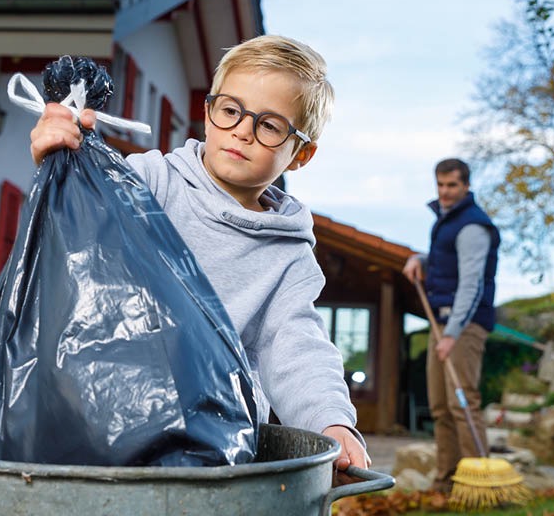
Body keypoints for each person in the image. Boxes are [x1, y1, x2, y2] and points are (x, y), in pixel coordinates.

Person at [29, 35, 369, 476]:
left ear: (300, 153)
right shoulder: (150, 183)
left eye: (269, 126)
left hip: (214, 443)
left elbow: (296, 345)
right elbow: (77, 237)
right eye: (230, 110)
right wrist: (60, 161)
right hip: (105, 408)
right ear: (209, 111)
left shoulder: (289, 256)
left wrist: (332, 421)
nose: (242, 130)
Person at [401, 158, 500, 493]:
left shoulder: (473, 226)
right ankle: (445, 483)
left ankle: (479, 486)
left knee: (462, 404)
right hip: (441, 323)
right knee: (441, 407)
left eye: (452, 185)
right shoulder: (448, 222)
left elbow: (471, 285)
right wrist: (420, 260)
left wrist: (453, 334)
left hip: (464, 325)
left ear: (466, 186)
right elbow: (448, 263)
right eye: (440, 185)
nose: (444, 192)